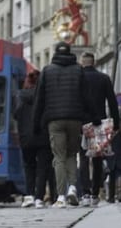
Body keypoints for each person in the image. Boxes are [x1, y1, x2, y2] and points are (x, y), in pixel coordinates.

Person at [32, 42, 93, 208]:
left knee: (58, 157)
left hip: (55, 120)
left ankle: (60, 196)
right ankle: (73, 188)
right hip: (75, 119)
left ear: (54, 53)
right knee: (72, 154)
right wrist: (92, 119)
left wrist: (36, 123)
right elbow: (86, 97)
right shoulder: (78, 70)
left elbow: (40, 100)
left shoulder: (47, 71)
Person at [77, 52, 120, 206]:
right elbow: (112, 102)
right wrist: (116, 124)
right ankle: (95, 192)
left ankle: (85, 193)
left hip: (82, 122)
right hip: (99, 123)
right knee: (97, 157)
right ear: (94, 62)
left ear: (82, 62)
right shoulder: (103, 78)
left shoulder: (78, 78)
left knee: (83, 157)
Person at [13, 70, 56, 208]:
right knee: (43, 168)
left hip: (26, 137)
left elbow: (16, 114)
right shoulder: (46, 96)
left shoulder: (20, 95)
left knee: (29, 166)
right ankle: (39, 198)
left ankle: (29, 195)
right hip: (43, 136)